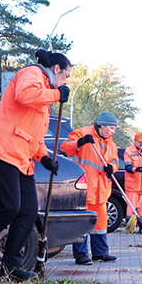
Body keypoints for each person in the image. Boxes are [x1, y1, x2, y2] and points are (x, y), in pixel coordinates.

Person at [0, 49, 71, 281]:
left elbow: (34, 135)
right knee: (9, 206)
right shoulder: (33, 73)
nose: (66, 81)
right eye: (66, 75)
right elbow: (24, 95)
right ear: (56, 69)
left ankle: (11, 266)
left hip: (22, 158)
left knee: (27, 211)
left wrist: (45, 157)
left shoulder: (46, 93)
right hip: (2, 150)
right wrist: (57, 95)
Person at [61, 111, 119, 265]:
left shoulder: (111, 143)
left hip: (101, 190)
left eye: (114, 129)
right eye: (112, 128)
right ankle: (81, 255)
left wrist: (111, 168)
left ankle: (100, 253)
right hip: (84, 188)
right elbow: (64, 147)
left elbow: (115, 161)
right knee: (82, 222)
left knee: (100, 224)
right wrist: (79, 143)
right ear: (102, 126)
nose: (113, 132)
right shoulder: (82, 133)